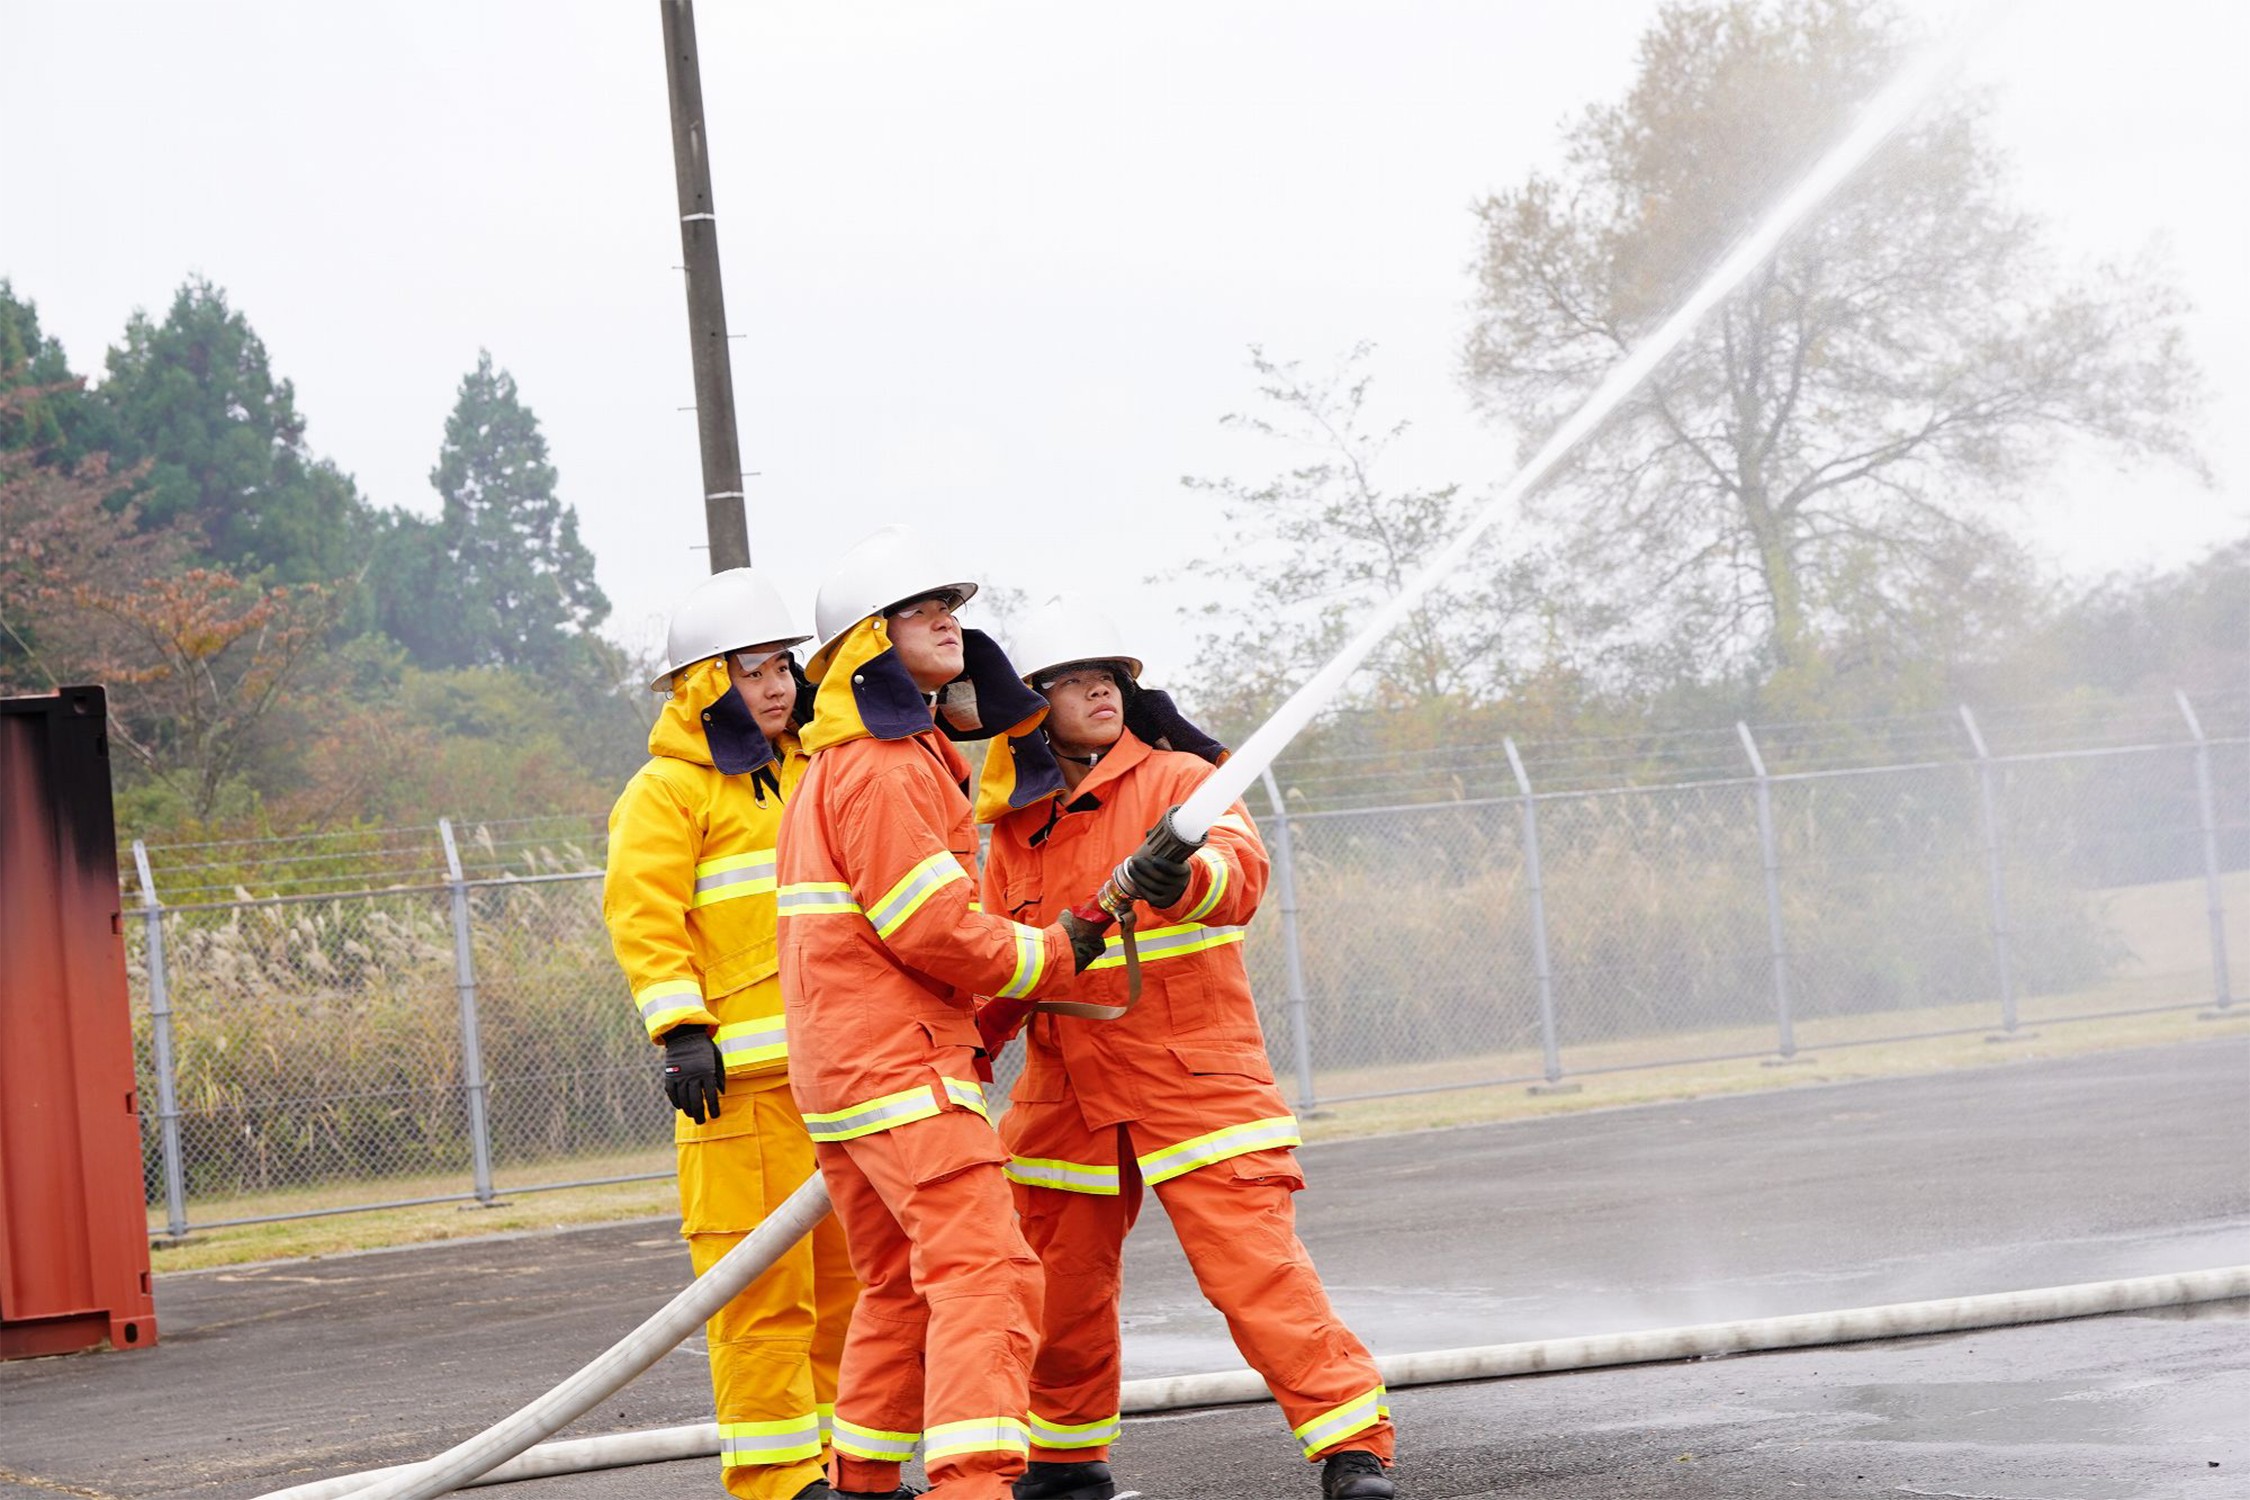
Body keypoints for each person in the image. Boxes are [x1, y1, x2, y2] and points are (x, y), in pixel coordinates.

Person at [976, 597, 1399, 1500]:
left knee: (1257, 1276)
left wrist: (1186, 873)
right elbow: (1004, 962)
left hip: (1191, 1077)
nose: (1100, 694)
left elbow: (1241, 876)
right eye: (1075, 682)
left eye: (1111, 679)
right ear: (1033, 707)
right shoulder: (1017, 829)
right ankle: (1062, 1465)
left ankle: (1351, 1451)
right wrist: (961, 1051)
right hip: (1065, 1098)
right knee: (1058, 1294)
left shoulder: (1180, 783)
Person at [775, 526, 1159, 1500]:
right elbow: (931, 927)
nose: (948, 618)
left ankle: (859, 1484)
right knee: (989, 1273)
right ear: (869, 644)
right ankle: (975, 1484)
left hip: (846, 1075)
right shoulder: (890, 764)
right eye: (918, 608)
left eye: (951, 605)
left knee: (902, 1286)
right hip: (900, 1069)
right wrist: (1049, 952)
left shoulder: (834, 767)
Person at [603, 568, 860, 1500]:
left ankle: (843, 1470)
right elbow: (644, 914)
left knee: (844, 1288)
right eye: (753, 668)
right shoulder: (669, 792)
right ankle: (780, 1482)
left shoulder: (812, 771)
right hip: (739, 1093)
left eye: (784, 664)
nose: (780, 684)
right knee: (760, 1296)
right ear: (705, 682)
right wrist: (680, 1030)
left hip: (835, 1079)